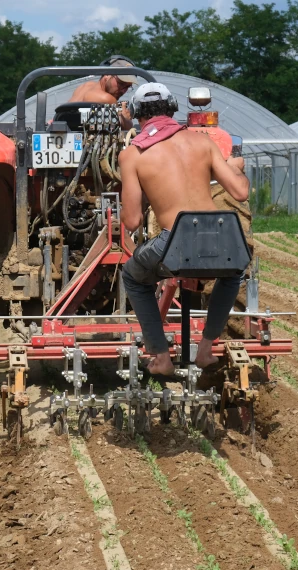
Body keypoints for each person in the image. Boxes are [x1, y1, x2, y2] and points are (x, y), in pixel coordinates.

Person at [119, 82, 250, 377]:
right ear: (173, 109)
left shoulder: (133, 154)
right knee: (235, 272)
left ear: (138, 114)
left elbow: (131, 222)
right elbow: (240, 193)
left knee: (133, 276)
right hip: (219, 237)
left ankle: (161, 356)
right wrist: (236, 166)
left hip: (174, 242)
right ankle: (205, 349)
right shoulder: (203, 142)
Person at [67, 58, 136, 130]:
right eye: (121, 83)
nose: (123, 90)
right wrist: (126, 118)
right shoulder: (108, 99)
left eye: (128, 87)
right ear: (107, 74)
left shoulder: (85, 86)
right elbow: (127, 128)